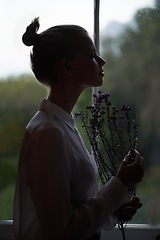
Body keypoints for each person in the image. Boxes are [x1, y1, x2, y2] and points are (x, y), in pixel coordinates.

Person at [13, 17, 144, 240]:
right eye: (92, 55)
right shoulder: (48, 134)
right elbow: (61, 234)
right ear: (67, 66)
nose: (102, 62)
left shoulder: (62, 126)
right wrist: (120, 183)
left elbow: (75, 214)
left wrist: (113, 211)